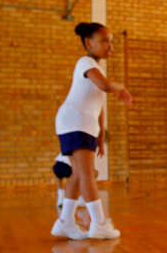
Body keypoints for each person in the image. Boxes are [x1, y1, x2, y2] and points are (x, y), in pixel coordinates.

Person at [51, 22, 133, 240]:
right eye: (105, 41)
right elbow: (105, 86)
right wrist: (120, 87)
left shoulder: (97, 68)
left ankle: (65, 222)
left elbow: (99, 103)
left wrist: (100, 135)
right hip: (75, 121)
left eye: (111, 41)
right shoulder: (85, 62)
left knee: (79, 173)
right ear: (89, 43)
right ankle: (98, 223)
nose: (110, 46)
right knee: (87, 173)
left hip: (80, 123)